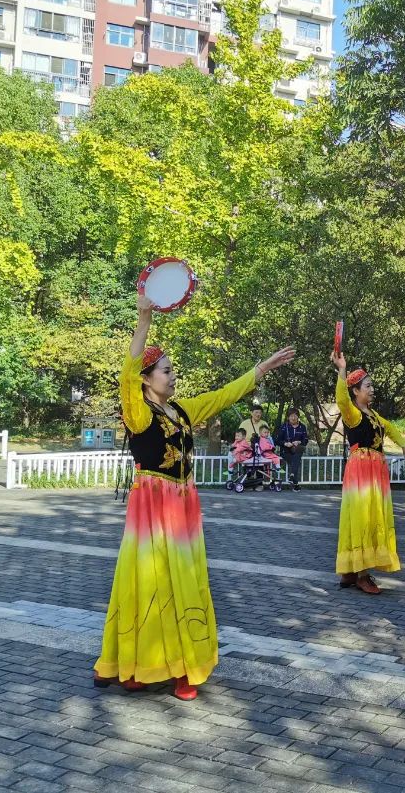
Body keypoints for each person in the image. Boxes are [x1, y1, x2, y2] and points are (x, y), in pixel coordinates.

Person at [93, 295, 294, 700]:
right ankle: (139, 663)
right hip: (152, 505)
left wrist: (259, 370)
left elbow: (223, 395)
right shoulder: (139, 412)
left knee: (183, 583)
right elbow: (126, 375)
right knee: (149, 583)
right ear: (148, 379)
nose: (172, 377)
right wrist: (144, 318)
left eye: (172, 371)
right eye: (166, 371)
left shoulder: (181, 411)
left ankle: (185, 665)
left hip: (182, 505)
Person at [331, 350, 405, 594]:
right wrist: (342, 369)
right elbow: (340, 399)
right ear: (356, 391)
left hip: (375, 469)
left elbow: (390, 429)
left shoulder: (374, 415)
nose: (372, 389)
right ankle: (361, 573)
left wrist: (404, 445)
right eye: (367, 386)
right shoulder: (352, 413)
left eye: (371, 386)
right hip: (361, 468)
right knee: (362, 517)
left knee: (368, 516)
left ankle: (350, 570)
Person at [276, 408, 309, 488]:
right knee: (296, 461)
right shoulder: (284, 426)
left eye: (295, 416)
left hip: (297, 449)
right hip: (286, 451)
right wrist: (285, 443)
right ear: (288, 417)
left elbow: (306, 440)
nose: (293, 418)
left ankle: (292, 476)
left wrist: (299, 442)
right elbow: (277, 441)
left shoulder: (302, 427)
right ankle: (294, 480)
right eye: (291, 416)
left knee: (298, 452)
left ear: (298, 416)